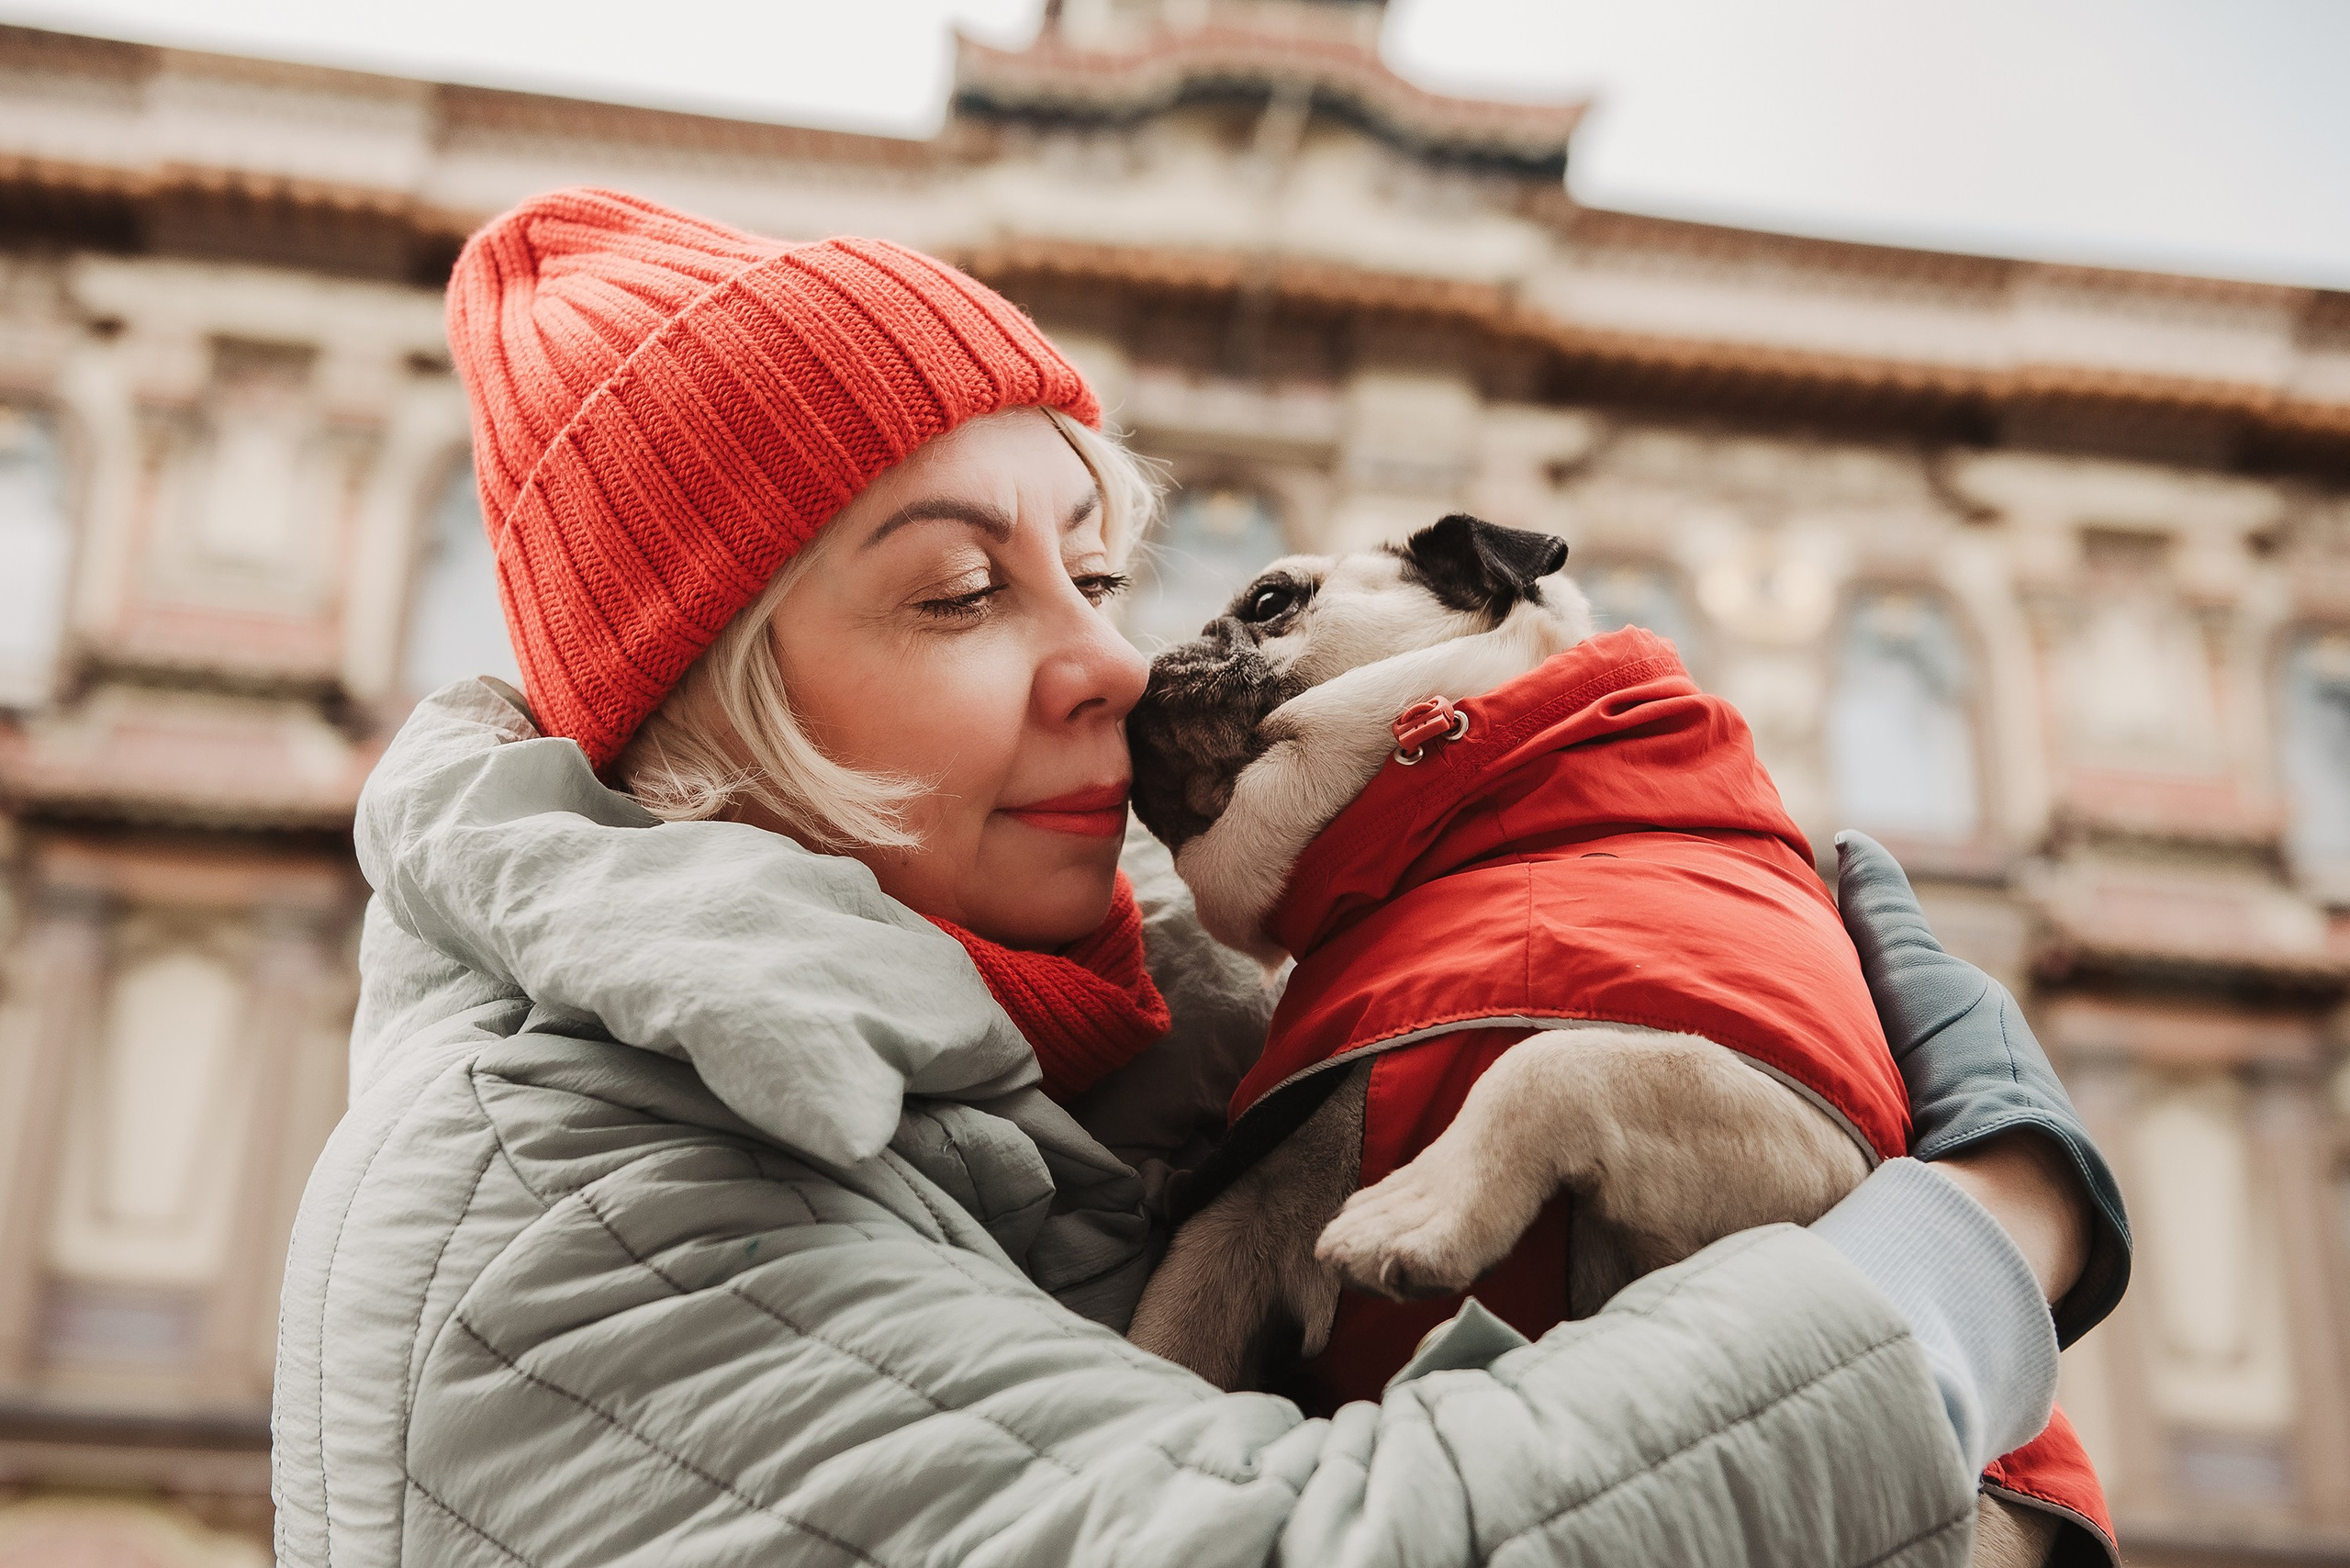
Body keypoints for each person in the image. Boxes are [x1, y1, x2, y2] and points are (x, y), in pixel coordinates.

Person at [272, 188, 2129, 1567]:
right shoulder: (544, 1210)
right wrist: (1975, 1241)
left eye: (1092, 572)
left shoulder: (1086, 1093)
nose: (1113, 665)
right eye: (955, 590)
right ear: (697, 723)